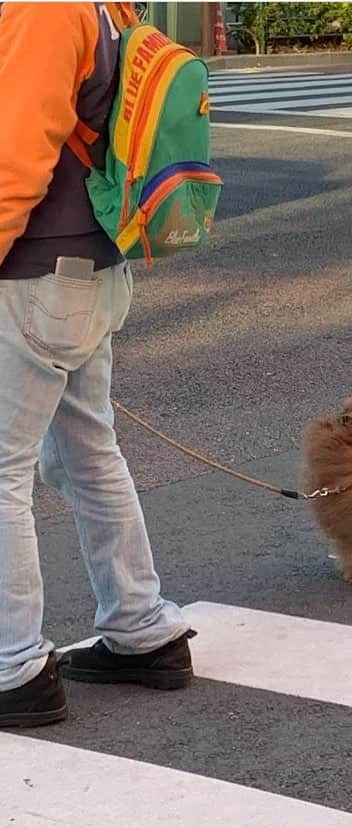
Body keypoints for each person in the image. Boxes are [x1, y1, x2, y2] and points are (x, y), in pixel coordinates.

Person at [0, 2, 194, 729]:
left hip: (33, 275)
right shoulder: (102, 3)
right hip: (91, 265)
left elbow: (15, 158)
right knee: (86, 455)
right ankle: (143, 629)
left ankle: (13, 668)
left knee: (3, 472)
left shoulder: (39, 9)